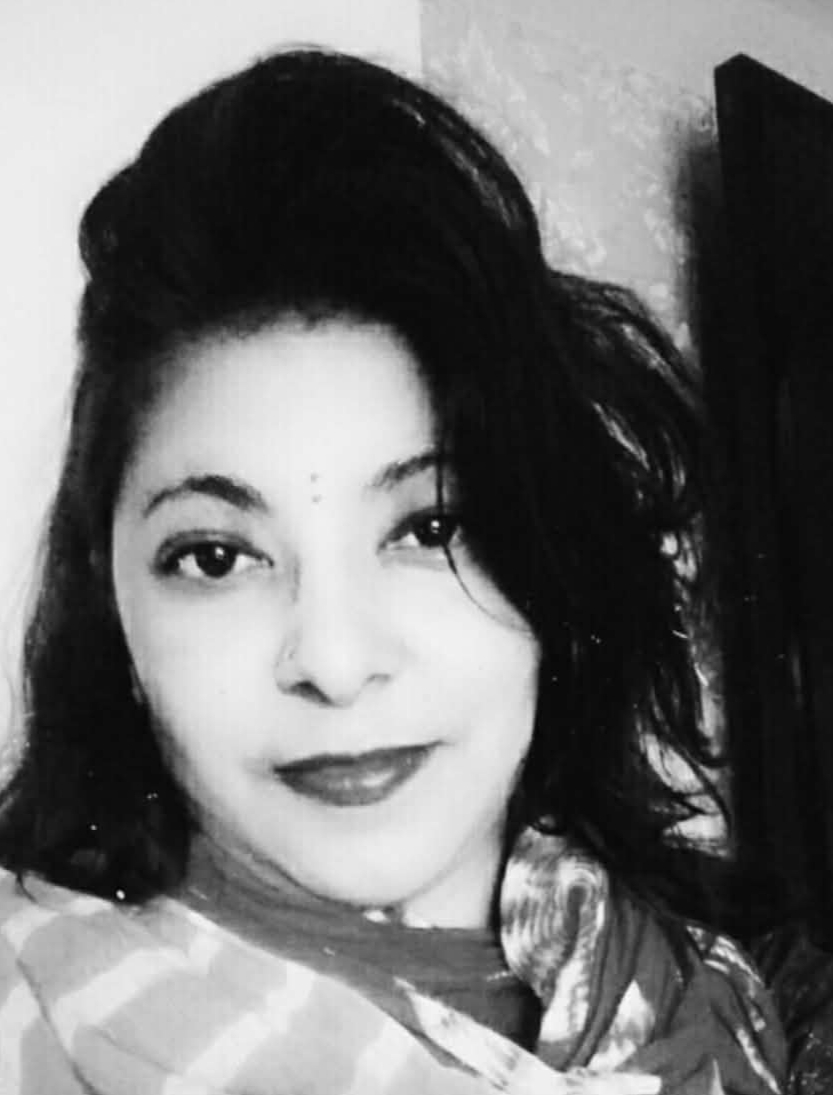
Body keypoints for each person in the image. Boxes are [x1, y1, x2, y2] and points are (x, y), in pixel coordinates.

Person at [0, 48, 785, 1094]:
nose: (334, 661)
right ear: (116, 610)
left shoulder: (729, 994)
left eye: (429, 526)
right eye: (216, 556)